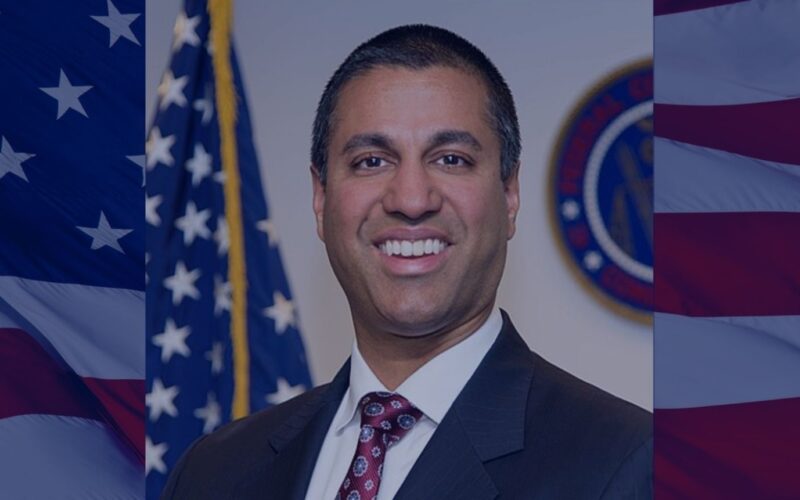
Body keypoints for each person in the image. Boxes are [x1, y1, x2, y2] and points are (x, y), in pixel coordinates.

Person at [162, 24, 652, 500]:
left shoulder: (629, 465)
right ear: (320, 198)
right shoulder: (213, 473)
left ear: (509, 195)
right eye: (372, 161)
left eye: (451, 159)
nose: (412, 199)